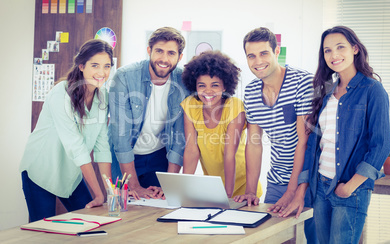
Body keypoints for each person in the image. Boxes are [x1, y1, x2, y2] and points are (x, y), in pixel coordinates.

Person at [280, 26, 390, 243]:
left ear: (355, 49)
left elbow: (381, 146)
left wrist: (349, 187)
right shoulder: (325, 90)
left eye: (340, 47)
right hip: (320, 186)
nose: (334, 55)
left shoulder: (373, 90)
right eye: (327, 50)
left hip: (350, 188)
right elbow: (313, 145)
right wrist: (303, 190)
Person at [233, 27, 317, 243]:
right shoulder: (251, 92)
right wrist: (251, 191)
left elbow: (304, 142)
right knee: (272, 238)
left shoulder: (302, 82)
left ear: (276, 51)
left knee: (313, 239)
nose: (257, 61)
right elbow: (254, 143)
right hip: (277, 181)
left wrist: (293, 190)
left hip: (308, 181)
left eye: (264, 53)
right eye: (251, 55)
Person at [20, 39, 114, 222]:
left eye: (107, 66)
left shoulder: (103, 97)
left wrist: (110, 194)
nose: (102, 72)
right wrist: (98, 195)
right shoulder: (61, 93)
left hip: (70, 175)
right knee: (42, 233)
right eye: (95, 65)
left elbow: (102, 147)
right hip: (41, 172)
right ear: (81, 66)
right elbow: (76, 147)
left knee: (92, 223)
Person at [108, 27, 188, 200]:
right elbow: (120, 136)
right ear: (149, 50)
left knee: (160, 205)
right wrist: (134, 185)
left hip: (159, 155)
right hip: (123, 157)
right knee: (123, 208)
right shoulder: (124, 77)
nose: (164, 59)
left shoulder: (184, 81)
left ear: (180, 57)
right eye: (159, 51)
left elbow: (179, 138)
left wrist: (171, 185)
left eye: (171, 53)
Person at [180, 51, 263, 198]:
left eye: (215, 85)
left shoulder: (235, 107)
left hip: (243, 188)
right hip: (216, 189)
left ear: (225, 86)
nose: (208, 91)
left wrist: (227, 196)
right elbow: (191, 151)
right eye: (202, 85)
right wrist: (183, 191)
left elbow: (229, 154)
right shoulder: (190, 105)